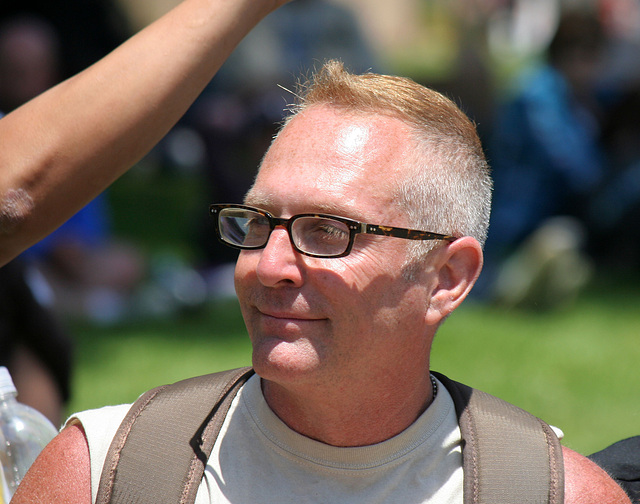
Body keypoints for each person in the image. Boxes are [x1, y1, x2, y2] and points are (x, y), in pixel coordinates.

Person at [12, 53, 631, 502]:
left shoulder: (552, 493)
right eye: (255, 222)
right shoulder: (101, 475)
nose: (269, 266)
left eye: (329, 232)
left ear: (447, 277)